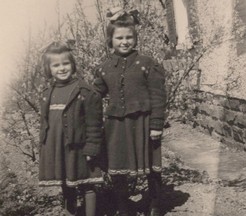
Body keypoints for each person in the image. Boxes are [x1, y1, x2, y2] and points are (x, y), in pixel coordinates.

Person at [94, 8, 166, 216]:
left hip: (143, 123)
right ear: (110, 40)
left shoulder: (147, 64)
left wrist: (156, 125)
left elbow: (158, 96)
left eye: (129, 37)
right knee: (118, 168)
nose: (124, 42)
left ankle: (154, 203)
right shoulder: (105, 68)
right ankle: (123, 205)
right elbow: (95, 93)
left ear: (135, 39)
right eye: (119, 38)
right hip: (116, 126)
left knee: (151, 165)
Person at [38, 41, 104, 216]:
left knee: (88, 184)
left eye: (66, 63)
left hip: (79, 148)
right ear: (49, 69)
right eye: (56, 65)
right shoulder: (47, 93)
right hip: (58, 149)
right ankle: (70, 212)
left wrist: (92, 147)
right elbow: (45, 123)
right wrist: (44, 147)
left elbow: (94, 123)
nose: (61, 68)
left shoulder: (84, 91)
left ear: (73, 65)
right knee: (66, 185)